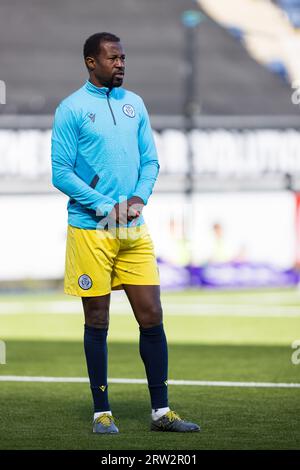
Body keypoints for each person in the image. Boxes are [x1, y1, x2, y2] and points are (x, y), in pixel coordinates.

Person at [51, 32, 200, 435]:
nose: (120, 64)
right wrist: (105, 206)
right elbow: (60, 172)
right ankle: (102, 412)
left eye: (123, 58)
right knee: (97, 320)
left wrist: (138, 197)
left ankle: (161, 412)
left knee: (152, 315)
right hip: (90, 230)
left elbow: (150, 161)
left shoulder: (135, 105)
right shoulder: (71, 109)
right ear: (90, 62)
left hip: (133, 228)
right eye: (113, 58)